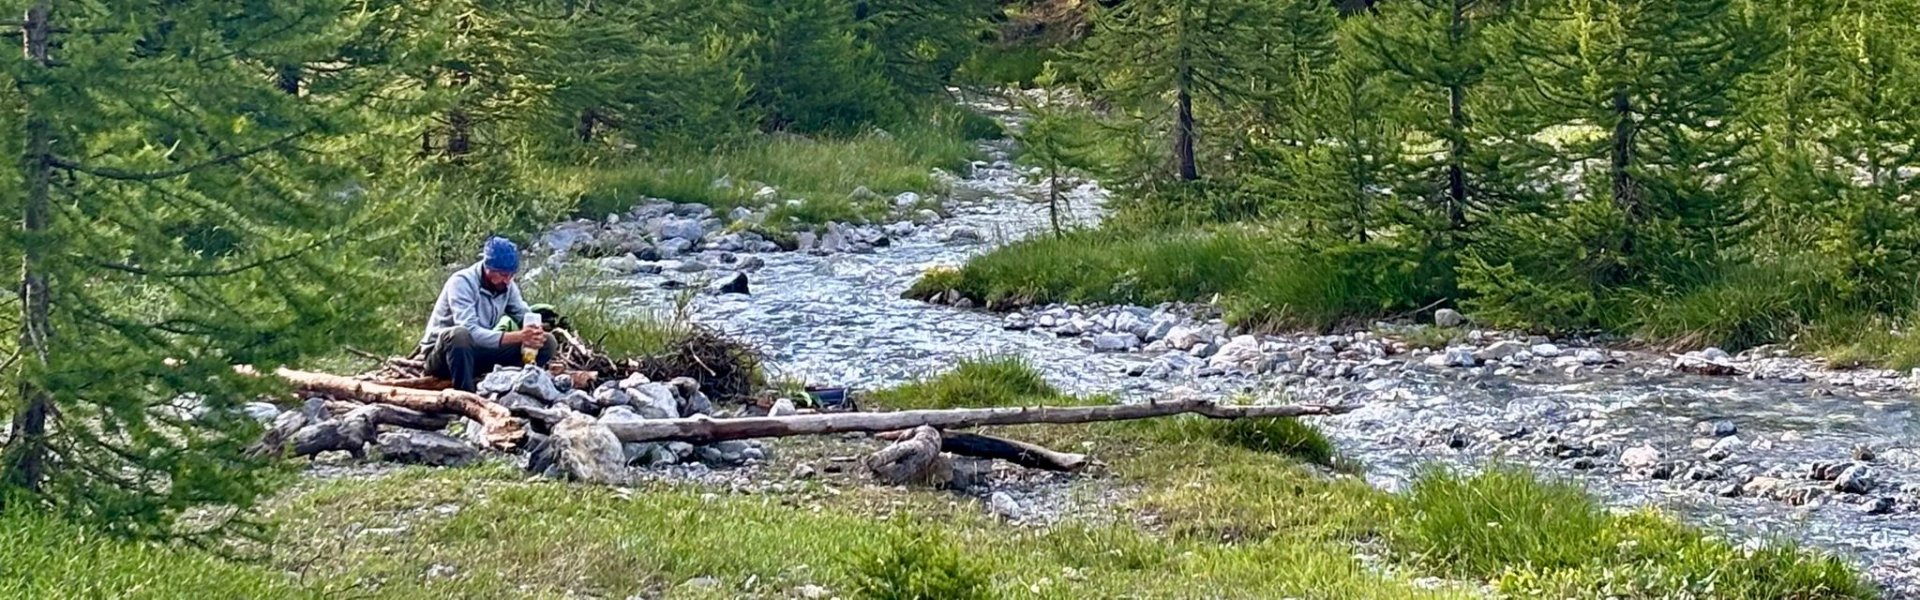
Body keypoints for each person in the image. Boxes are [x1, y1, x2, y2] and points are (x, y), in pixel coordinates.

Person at [418, 237, 556, 392]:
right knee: (460, 335)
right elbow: (471, 331)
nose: (508, 280)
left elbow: (523, 313)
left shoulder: (507, 285)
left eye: (512, 275)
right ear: (488, 268)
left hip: (478, 352)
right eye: (503, 275)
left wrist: (535, 333)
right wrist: (520, 336)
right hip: (444, 355)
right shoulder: (462, 282)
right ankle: (465, 394)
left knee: (548, 342)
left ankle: (514, 384)